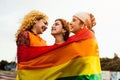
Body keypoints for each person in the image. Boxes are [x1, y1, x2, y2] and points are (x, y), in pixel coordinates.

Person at [15, 10, 48, 80]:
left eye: (47, 25)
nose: (46, 27)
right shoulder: (25, 34)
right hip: (28, 76)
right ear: (35, 20)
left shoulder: (44, 41)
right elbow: (22, 60)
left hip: (41, 76)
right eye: (44, 23)